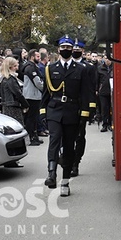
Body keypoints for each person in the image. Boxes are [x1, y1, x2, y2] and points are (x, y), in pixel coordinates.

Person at [40, 35, 93, 197]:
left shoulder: (81, 69)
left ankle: (65, 181)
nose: (66, 50)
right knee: (54, 140)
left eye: (69, 48)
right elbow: (45, 94)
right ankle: (51, 173)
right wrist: (43, 112)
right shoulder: (50, 68)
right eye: (63, 47)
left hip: (72, 111)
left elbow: (86, 93)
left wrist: (85, 115)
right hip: (54, 109)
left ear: (72, 50)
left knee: (69, 147)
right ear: (58, 49)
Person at [70, 39, 97, 177]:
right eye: (73, 49)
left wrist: (91, 106)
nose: (75, 51)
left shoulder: (88, 67)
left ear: (82, 51)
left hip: (82, 106)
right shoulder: (64, 66)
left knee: (80, 136)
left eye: (77, 49)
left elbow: (92, 88)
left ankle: (76, 163)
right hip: (67, 106)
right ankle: (67, 159)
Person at [21, 49, 45, 146]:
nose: (39, 58)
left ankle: (34, 136)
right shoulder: (30, 67)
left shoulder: (33, 66)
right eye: (37, 56)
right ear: (32, 57)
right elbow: (38, 82)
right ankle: (31, 137)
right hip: (32, 96)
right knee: (31, 118)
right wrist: (45, 89)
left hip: (33, 95)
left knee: (34, 118)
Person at [0, 56, 29, 126]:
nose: (16, 67)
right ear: (10, 67)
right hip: (12, 107)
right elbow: (18, 93)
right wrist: (26, 104)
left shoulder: (3, 78)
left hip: (7, 106)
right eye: (14, 66)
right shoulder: (10, 79)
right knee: (16, 127)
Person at [97, 55, 113, 132]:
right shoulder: (100, 68)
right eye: (106, 58)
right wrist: (96, 89)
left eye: (109, 58)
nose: (108, 60)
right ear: (103, 59)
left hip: (112, 91)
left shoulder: (114, 67)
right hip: (103, 92)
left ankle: (110, 124)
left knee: (111, 108)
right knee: (104, 108)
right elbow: (96, 80)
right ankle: (105, 124)